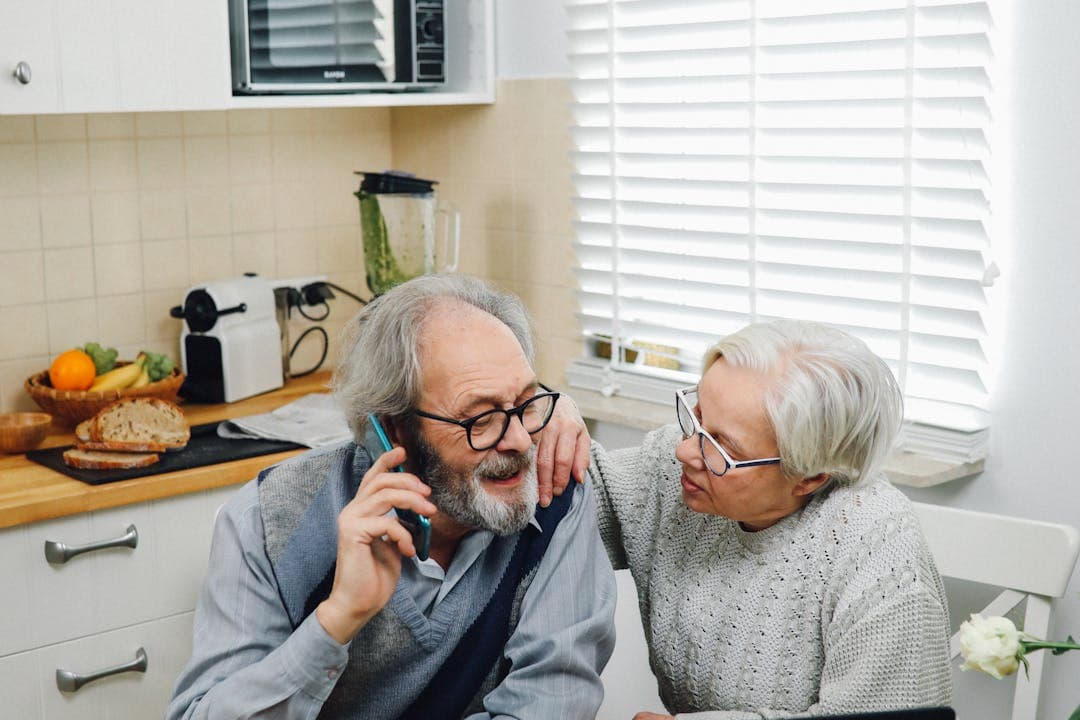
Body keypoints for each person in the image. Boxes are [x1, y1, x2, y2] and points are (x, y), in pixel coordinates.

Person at [167, 274, 617, 720]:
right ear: (393, 429)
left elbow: (548, 707)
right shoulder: (264, 521)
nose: (519, 439)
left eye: (524, 403)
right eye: (480, 419)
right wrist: (338, 618)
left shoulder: (554, 496)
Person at [548, 319, 953, 718]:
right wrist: (547, 410)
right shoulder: (681, 467)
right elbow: (564, 502)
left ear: (809, 476)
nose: (685, 452)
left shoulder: (880, 552)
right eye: (697, 416)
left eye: (722, 447)